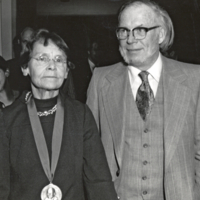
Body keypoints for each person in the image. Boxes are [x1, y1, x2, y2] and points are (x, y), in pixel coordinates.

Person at [87, 0, 200, 199]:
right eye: (124, 31)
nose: (130, 40)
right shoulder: (100, 80)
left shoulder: (194, 79)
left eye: (140, 30)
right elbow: (89, 153)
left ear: (161, 34)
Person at [0, 29, 117, 200]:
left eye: (59, 60)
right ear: (25, 68)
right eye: (42, 58)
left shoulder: (81, 115)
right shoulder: (7, 119)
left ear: (67, 71)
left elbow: (99, 182)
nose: (52, 66)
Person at [6, 27, 34, 92]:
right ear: (19, 42)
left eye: (31, 42)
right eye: (25, 42)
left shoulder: (39, 65)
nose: (28, 45)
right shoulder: (9, 65)